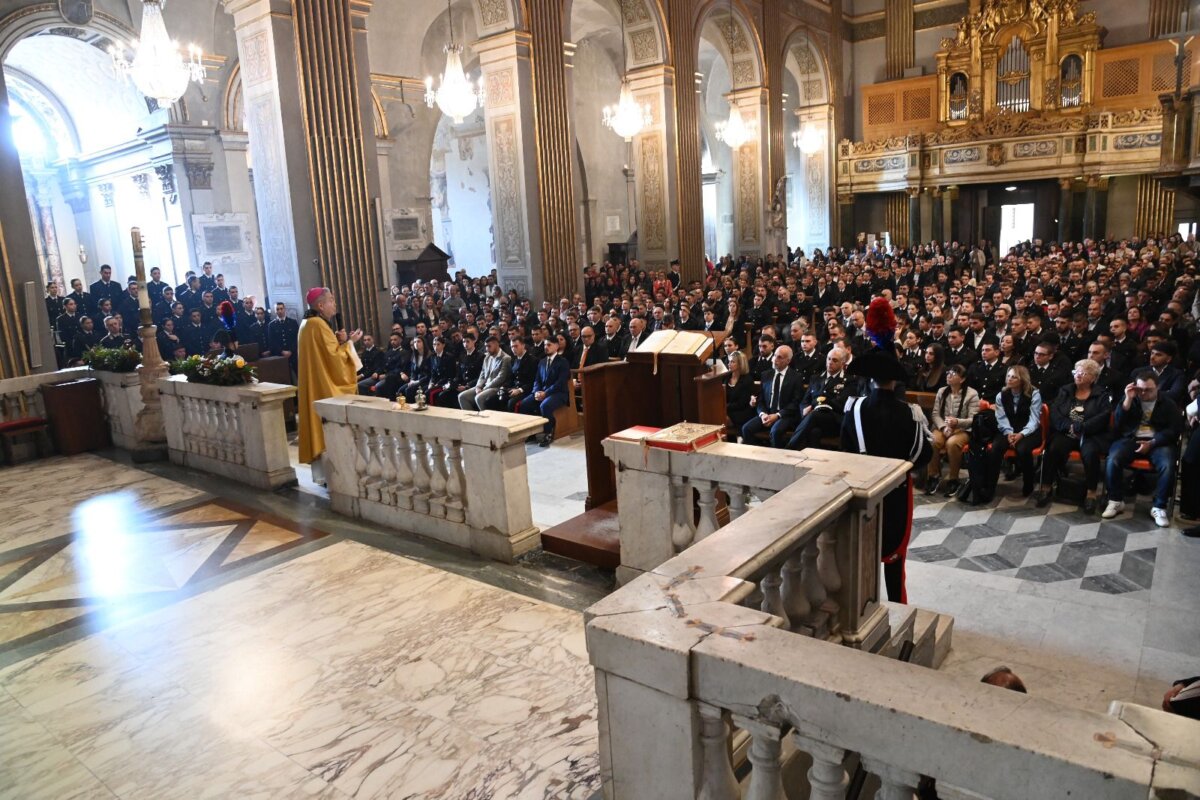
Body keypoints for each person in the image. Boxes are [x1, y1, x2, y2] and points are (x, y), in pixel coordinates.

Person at [842, 298, 932, 603]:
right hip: (894, 492)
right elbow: (923, 457)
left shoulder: (853, 410)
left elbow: (846, 449)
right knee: (894, 560)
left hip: (861, 488)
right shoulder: (910, 413)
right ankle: (897, 613)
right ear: (895, 380)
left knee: (861, 553)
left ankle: (861, 610)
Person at [1102, 368, 1184, 527]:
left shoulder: (1168, 404)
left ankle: (1159, 506)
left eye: (1149, 390)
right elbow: (1118, 424)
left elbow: (1174, 431)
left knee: (1167, 465)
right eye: (1141, 390)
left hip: (1158, 442)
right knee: (1113, 459)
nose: (1144, 393)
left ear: (1158, 388)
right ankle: (1115, 500)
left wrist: (1152, 443)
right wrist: (1127, 400)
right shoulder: (1132, 399)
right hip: (1131, 438)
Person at [297, 287, 362, 481]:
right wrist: (350, 342)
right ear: (320, 305)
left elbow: (327, 352)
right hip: (324, 387)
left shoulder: (307, 324)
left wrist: (340, 341)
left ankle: (324, 476)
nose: (334, 304)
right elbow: (335, 359)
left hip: (316, 386)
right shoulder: (318, 325)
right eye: (331, 300)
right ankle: (335, 476)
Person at [1034, 359, 1111, 511]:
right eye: (1076, 372)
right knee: (1053, 448)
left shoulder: (1101, 394)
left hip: (1089, 434)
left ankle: (1091, 493)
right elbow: (1055, 412)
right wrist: (1067, 426)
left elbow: (1104, 416)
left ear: (1093, 378)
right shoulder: (1066, 390)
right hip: (1066, 431)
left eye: (1083, 373)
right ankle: (1046, 487)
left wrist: (1082, 427)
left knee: (1090, 454)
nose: (1078, 375)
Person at [985, 366, 1044, 500]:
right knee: (995, 449)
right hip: (1008, 429)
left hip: (1029, 431)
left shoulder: (1034, 393)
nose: (1009, 379)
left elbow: (1034, 420)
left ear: (1022, 380)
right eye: (1008, 376)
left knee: (1023, 449)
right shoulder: (1002, 395)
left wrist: (1021, 434)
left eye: (1014, 377)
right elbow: (1001, 417)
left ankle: (1028, 484)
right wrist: (1009, 433)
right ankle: (990, 487)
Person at [786, 347, 859, 451]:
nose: (830, 362)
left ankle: (789, 448)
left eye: (835, 360)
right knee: (814, 432)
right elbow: (805, 400)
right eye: (828, 359)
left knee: (814, 415)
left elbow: (842, 404)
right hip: (814, 420)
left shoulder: (849, 381)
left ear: (843, 363)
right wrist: (804, 409)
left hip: (834, 420)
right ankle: (813, 462)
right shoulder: (816, 378)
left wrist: (816, 404)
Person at [926, 364, 979, 498]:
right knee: (933, 440)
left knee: (952, 443)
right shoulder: (942, 391)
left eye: (953, 373)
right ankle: (933, 476)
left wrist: (957, 422)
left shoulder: (972, 394)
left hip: (963, 429)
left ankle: (953, 479)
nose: (949, 375)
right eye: (948, 373)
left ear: (962, 379)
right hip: (944, 427)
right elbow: (935, 414)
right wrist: (944, 427)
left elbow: (973, 419)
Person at [741, 345, 803, 448]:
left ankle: (776, 459)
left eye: (780, 357)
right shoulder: (766, 375)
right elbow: (760, 399)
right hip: (767, 413)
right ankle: (759, 455)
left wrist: (777, 415)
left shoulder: (796, 377)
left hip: (784, 415)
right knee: (746, 429)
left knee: (776, 432)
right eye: (775, 356)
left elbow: (795, 403)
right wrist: (762, 414)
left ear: (788, 361)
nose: (775, 359)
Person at [518, 335, 570, 446]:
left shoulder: (563, 362)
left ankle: (548, 433)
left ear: (556, 346)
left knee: (544, 405)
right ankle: (531, 432)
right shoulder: (542, 361)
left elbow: (560, 382)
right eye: (545, 345)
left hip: (558, 393)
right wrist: (536, 391)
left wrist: (546, 393)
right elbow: (537, 380)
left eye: (549, 345)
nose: (546, 347)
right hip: (542, 392)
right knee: (524, 404)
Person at [459, 335, 511, 411]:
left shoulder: (506, 358)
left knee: (479, 398)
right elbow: (482, 374)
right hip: (484, 386)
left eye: (489, 346)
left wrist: (484, 388)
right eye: (486, 346)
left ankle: (485, 421)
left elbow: (501, 378)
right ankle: (471, 420)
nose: (487, 349)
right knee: (462, 396)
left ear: (496, 344)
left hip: (496, 387)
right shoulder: (487, 357)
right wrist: (478, 386)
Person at [723, 350, 756, 441]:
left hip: (742, 412)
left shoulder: (747, 380)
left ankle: (736, 440)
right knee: (717, 416)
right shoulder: (726, 377)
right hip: (729, 409)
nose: (729, 364)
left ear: (740, 364)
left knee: (721, 419)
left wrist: (724, 407)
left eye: (732, 362)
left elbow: (741, 403)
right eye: (729, 361)